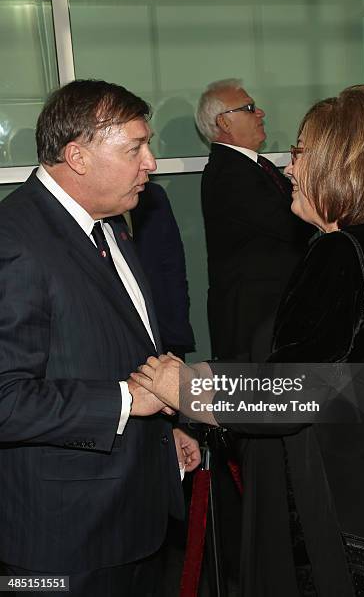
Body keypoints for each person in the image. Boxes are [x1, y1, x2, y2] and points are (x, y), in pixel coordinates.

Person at [133, 84, 364, 596]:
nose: (290, 168)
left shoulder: (338, 254)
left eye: (300, 153)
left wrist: (185, 388)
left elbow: (295, 391)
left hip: (325, 507)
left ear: (340, 164)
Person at [0, 79, 200, 597]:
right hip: (62, 539)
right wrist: (127, 401)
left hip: (132, 517)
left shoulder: (110, 227)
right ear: (78, 157)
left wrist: (163, 429)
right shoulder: (14, 241)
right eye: (134, 148)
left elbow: (126, 350)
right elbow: (5, 398)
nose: (151, 162)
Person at [196, 78, 312, 362]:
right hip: (253, 321)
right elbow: (293, 225)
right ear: (224, 122)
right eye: (249, 108)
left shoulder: (256, 166)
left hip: (267, 314)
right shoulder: (230, 174)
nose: (260, 113)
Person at [131, 181, 195, 360]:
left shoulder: (152, 196)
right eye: (134, 151)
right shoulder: (84, 202)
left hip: (164, 332)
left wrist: (178, 329)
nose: (150, 163)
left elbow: (173, 267)